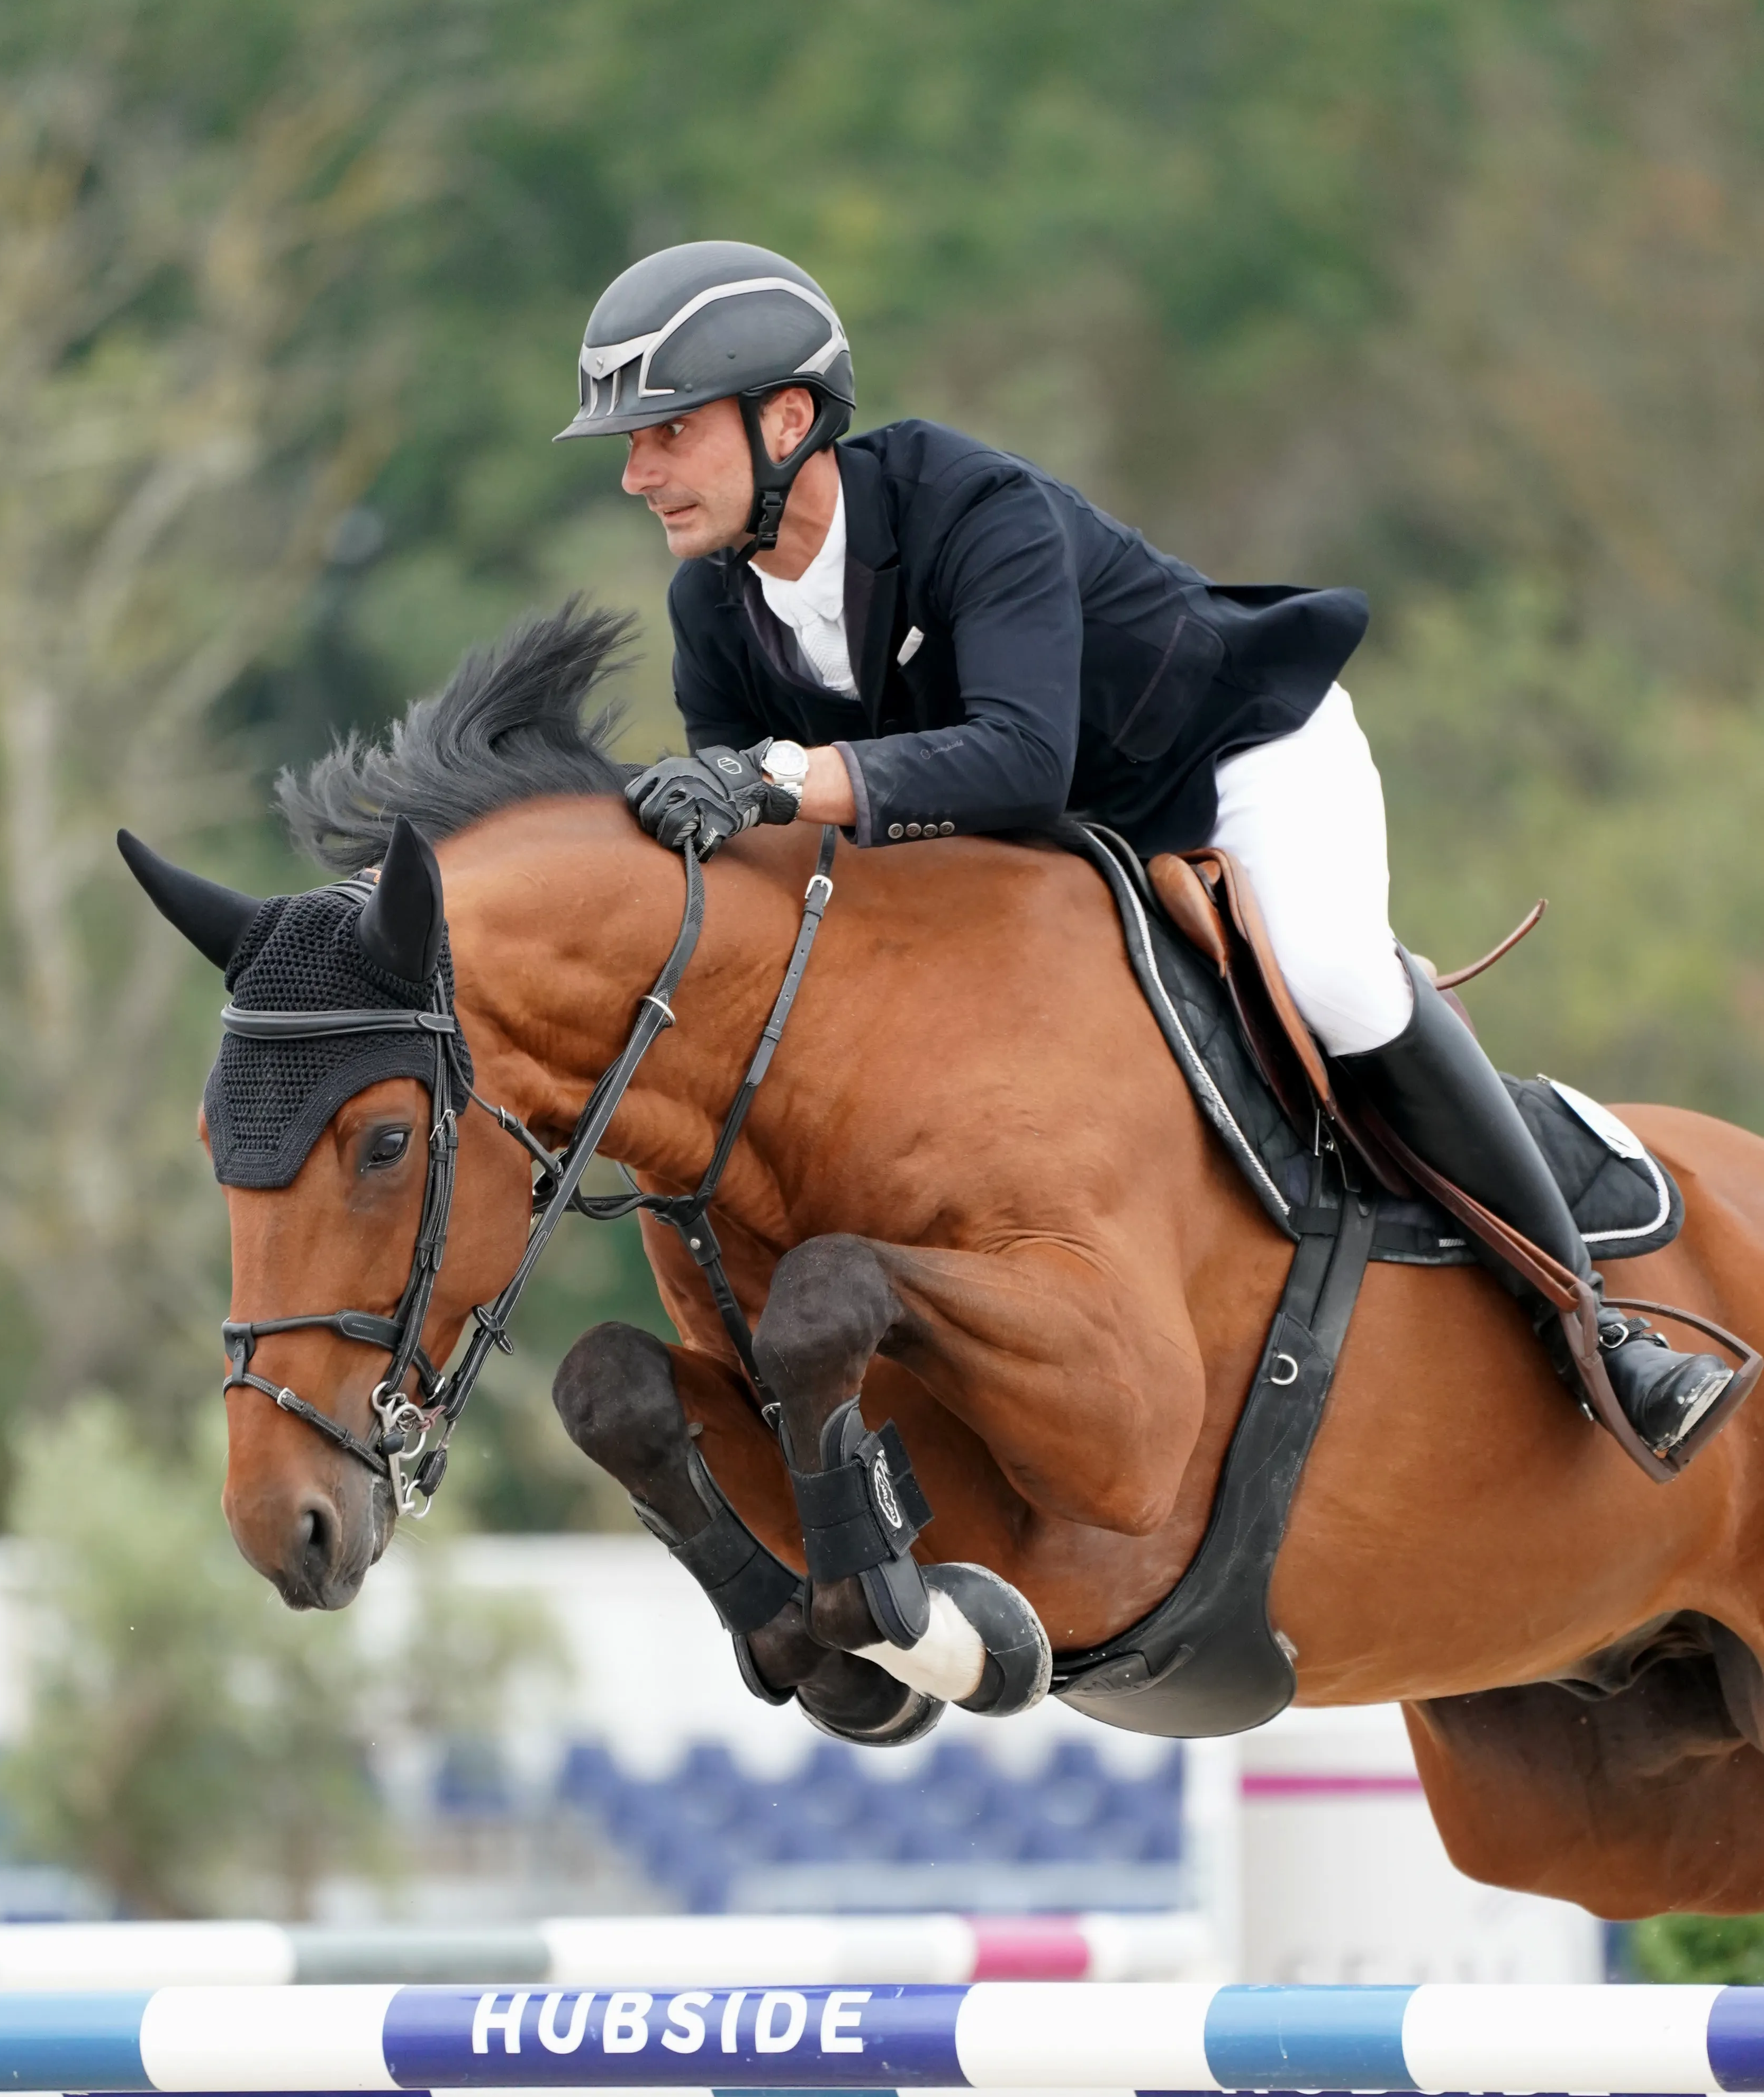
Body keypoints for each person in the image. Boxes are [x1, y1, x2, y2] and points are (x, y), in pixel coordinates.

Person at [557, 238, 1735, 1467]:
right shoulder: (713, 603)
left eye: (667, 433)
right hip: (1037, 856)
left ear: (785, 418)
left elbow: (1012, 756)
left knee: (1332, 978)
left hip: (1229, 766)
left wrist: (775, 777)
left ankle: (1600, 1331)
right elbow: (784, 853)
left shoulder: (971, 508)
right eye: (635, 445)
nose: (638, 473)